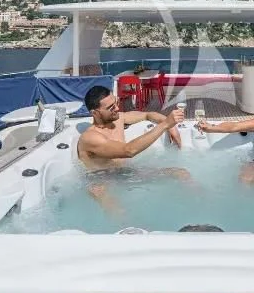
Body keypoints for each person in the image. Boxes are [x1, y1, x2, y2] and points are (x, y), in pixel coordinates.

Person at [77, 85, 189, 213]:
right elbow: (128, 151)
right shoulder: (90, 138)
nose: (117, 108)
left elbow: (148, 115)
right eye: (111, 107)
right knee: (119, 211)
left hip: (123, 172)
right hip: (100, 181)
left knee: (180, 173)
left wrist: (171, 126)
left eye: (116, 103)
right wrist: (165, 124)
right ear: (94, 113)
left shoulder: (118, 119)